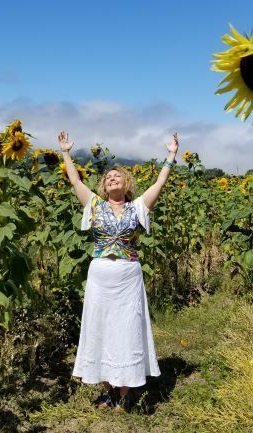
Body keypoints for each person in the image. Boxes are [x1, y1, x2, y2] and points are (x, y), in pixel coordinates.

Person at [58, 130, 179, 411]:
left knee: (126, 330)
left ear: (127, 184)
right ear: (103, 186)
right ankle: (107, 391)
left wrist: (171, 155)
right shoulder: (94, 204)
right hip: (100, 276)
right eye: (108, 177)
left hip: (127, 277)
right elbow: (74, 179)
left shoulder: (138, 207)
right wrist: (65, 152)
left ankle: (124, 393)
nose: (112, 178)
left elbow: (161, 181)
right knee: (99, 328)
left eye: (118, 177)